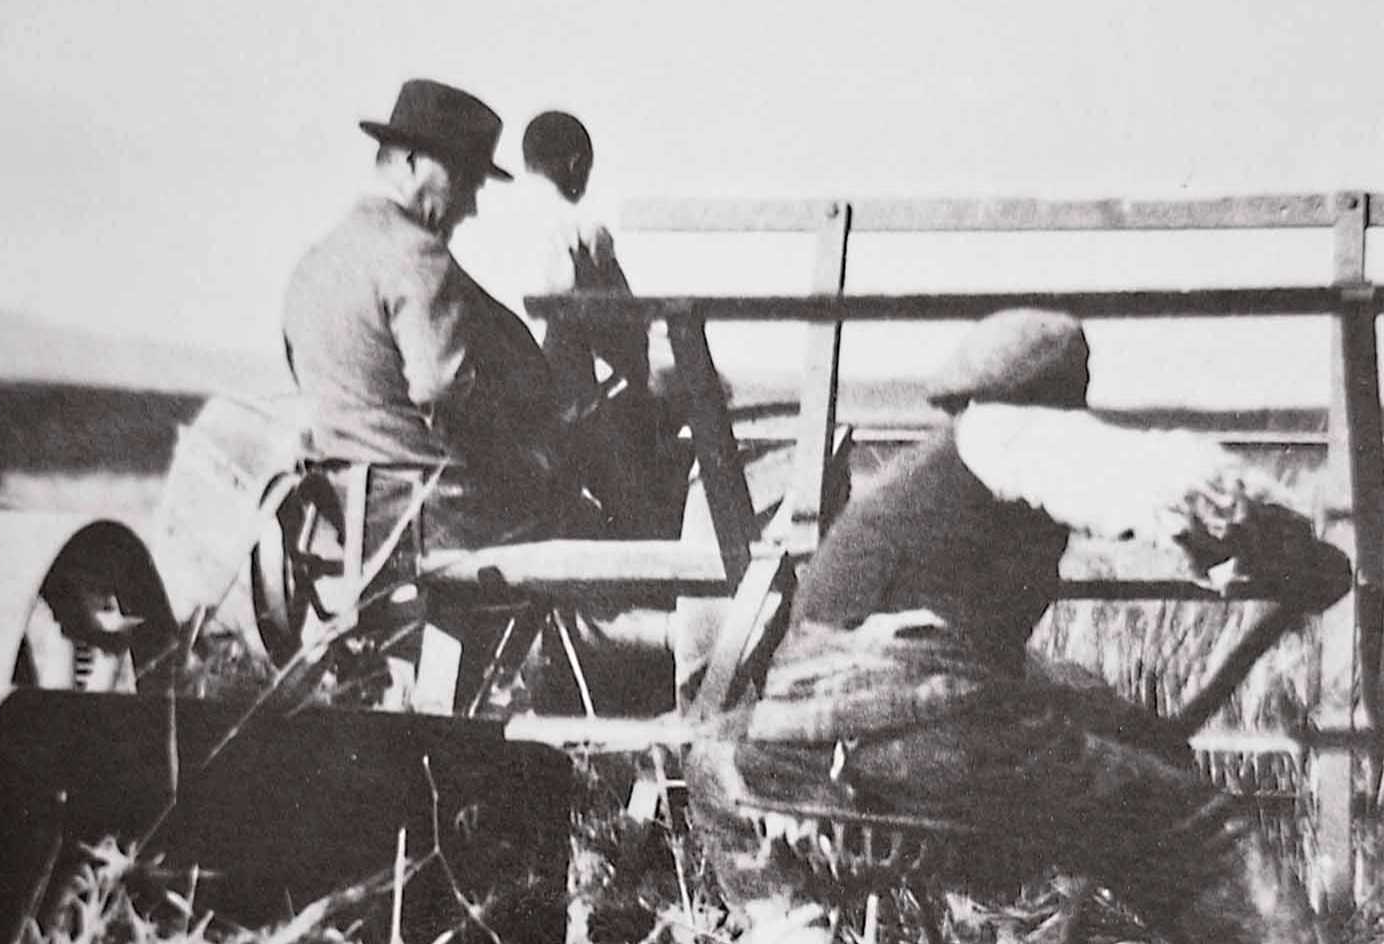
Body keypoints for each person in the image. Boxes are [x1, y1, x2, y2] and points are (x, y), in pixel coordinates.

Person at [686, 309, 1346, 943]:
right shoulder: (1008, 431)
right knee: (1205, 838)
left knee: (722, 775)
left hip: (788, 752)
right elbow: (1177, 483)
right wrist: (1284, 546)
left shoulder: (920, 490)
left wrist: (1126, 726)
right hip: (931, 729)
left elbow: (977, 665)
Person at [280, 79, 576, 706]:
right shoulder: (418, 255)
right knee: (572, 509)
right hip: (427, 516)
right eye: (464, 180)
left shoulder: (316, 260)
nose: (470, 205)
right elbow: (445, 390)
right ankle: (509, 703)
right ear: (413, 162)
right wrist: (528, 460)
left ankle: (419, 688)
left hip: (343, 512)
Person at [452, 110, 685, 541]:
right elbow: (626, 336)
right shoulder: (579, 228)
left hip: (486, 406)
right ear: (576, 165)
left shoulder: (473, 223)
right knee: (639, 463)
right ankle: (647, 553)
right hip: (555, 412)